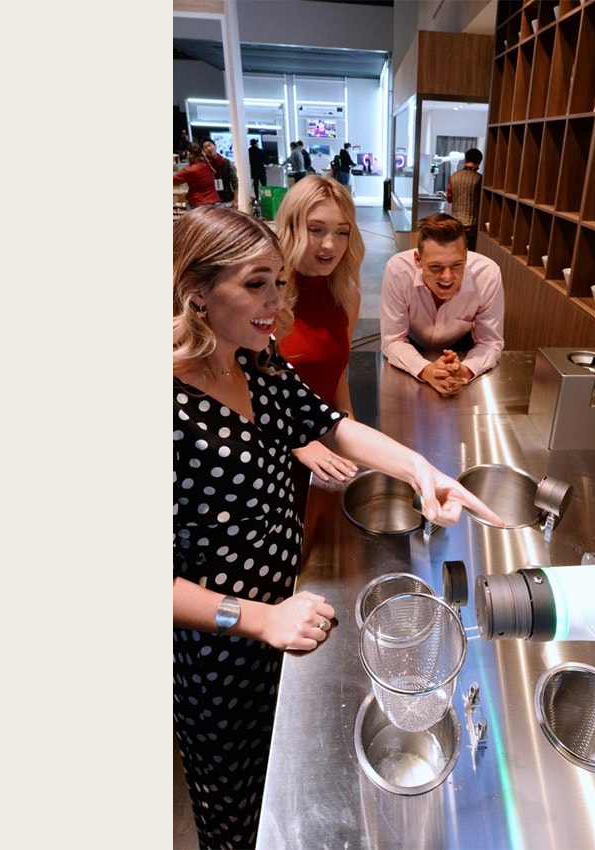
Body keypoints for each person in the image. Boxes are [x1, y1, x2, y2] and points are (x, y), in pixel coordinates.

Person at [173, 206, 505, 849]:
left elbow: (328, 423)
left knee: (286, 773)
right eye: (255, 284)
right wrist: (255, 618)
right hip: (223, 644)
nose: (275, 303)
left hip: (284, 607)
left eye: (278, 282)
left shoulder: (256, 361)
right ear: (197, 294)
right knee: (239, 809)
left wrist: (421, 471)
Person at [273, 175, 364, 498]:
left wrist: (348, 422)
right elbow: (240, 387)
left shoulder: (345, 295)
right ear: (292, 227)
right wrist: (298, 441)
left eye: (342, 232)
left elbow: (335, 369)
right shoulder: (267, 294)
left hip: (324, 442)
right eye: (316, 230)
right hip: (268, 449)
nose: (330, 245)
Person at [379, 212, 505, 396]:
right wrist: (426, 370)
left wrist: (467, 370)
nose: (447, 277)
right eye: (435, 267)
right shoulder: (398, 271)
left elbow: (490, 341)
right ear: (418, 260)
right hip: (411, 343)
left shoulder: (487, 275)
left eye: (456, 265)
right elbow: (393, 339)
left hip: (461, 345)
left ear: (466, 257)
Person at [446, 147, 484, 250]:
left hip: (456, 222)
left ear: (466, 160)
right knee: (470, 253)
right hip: (472, 225)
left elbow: (449, 198)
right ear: (479, 162)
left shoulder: (454, 176)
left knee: (455, 250)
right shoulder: (479, 179)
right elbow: (483, 202)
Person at [173, 144, 220, 208]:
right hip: (212, 201)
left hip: (199, 202)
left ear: (188, 154)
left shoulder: (190, 170)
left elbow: (174, 180)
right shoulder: (206, 165)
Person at [201, 138, 237, 206]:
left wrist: (236, 200)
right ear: (203, 151)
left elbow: (235, 182)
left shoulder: (227, 163)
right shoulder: (203, 166)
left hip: (227, 200)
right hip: (210, 202)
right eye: (205, 147)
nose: (208, 148)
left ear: (215, 146)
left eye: (210, 145)